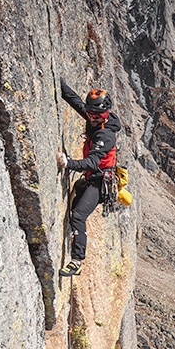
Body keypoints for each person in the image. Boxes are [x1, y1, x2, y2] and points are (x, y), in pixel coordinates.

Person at [56, 79, 122, 277]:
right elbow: (74, 100)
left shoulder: (106, 135)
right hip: (90, 178)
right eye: (90, 114)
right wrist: (59, 82)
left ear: (105, 114)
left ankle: (76, 262)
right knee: (74, 205)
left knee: (78, 214)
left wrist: (68, 163)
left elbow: (93, 162)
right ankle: (76, 236)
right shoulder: (95, 116)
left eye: (96, 115)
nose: (91, 118)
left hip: (100, 183)